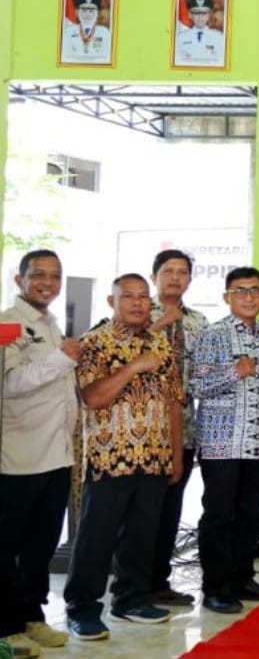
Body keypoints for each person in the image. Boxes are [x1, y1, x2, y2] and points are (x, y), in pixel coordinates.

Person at [64, 274, 183, 641]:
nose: (137, 302)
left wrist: (176, 454)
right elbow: (91, 398)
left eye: (143, 296)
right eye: (128, 296)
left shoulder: (160, 344)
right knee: (96, 536)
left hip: (154, 456)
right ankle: (82, 608)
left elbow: (173, 402)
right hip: (109, 459)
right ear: (111, 302)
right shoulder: (94, 343)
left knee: (142, 535)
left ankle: (130, 599)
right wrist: (133, 367)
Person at [188, 267, 259, 615]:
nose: (248, 296)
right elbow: (196, 386)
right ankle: (215, 587)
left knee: (250, 514)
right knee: (220, 515)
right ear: (226, 297)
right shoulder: (213, 335)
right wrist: (235, 372)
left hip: (258, 442)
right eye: (240, 290)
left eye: (255, 290)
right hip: (221, 443)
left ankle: (243, 578)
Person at [0, 251, 79, 656]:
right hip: (18, 457)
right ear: (20, 280)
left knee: (41, 546)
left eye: (55, 276)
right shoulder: (7, 323)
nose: (48, 283)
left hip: (57, 456)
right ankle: (7, 626)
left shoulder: (50, 324)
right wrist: (63, 358)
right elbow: (10, 383)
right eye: (38, 275)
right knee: (6, 547)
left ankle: (32, 615)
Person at [146, 249, 208, 607]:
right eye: (168, 271)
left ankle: (159, 582)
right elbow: (125, 352)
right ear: (154, 277)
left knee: (170, 510)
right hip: (143, 430)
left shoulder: (199, 321)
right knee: (142, 512)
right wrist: (160, 324)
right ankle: (132, 585)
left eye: (182, 272)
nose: (175, 277)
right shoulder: (139, 313)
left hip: (183, 428)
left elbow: (204, 370)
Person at [174, 0, 225, 67]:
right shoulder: (180, 37)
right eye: (196, 13)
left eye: (204, 13)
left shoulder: (218, 37)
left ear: (209, 15)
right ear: (190, 15)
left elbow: (221, 62)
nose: (200, 17)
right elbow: (177, 62)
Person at [60, 0, 111, 64]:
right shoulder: (69, 31)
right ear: (78, 13)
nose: (87, 14)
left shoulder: (105, 32)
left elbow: (107, 57)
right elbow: (65, 56)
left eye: (91, 11)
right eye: (84, 11)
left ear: (97, 14)